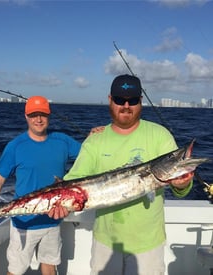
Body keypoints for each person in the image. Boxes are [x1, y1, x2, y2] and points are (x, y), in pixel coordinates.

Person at [59, 74, 194, 275]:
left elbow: (179, 188)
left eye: (132, 100)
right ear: (110, 100)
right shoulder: (95, 140)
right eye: (120, 100)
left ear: (141, 102)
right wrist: (60, 203)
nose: (126, 106)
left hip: (149, 244)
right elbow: (73, 181)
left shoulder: (160, 135)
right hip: (105, 242)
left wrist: (182, 185)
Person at [0, 95, 81, 275]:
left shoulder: (63, 141)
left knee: (50, 268)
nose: (38, 119)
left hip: (52, 218)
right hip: (23, 222)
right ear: (26, 116)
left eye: (42, 114)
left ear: (49, 116)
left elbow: (88, 155)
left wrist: (97, 134)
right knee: (15, 271)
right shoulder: (15, 146)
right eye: (33, 114)